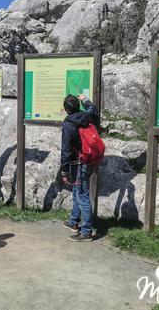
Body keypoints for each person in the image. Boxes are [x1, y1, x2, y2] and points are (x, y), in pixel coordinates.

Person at [60, 93, 100, 242]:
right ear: (77, 106)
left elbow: (66, 150)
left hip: (79, 163)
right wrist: (85, 99)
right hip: (89, 160)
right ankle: (74, 222)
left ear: (66, 109)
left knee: (82, 195)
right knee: (78, 191)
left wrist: (64, 171)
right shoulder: (86, 116)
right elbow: (93, 109)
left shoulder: (69, 124)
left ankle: (86, 231)